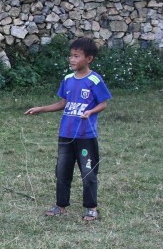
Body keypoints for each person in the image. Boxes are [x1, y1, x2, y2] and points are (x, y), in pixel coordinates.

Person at [25, 37, 111, 221]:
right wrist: (41, 109)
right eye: (71, 55)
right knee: (62, 171)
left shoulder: (94, 80)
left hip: (86, 136)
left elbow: (103, 103)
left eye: (76, 56)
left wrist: (90, 112)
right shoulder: (67, 79)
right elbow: (62, 103)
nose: (72, 59)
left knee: (88, 172)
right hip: (65, 135)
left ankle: (91, 208)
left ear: (89, 59)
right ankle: (61, 205)